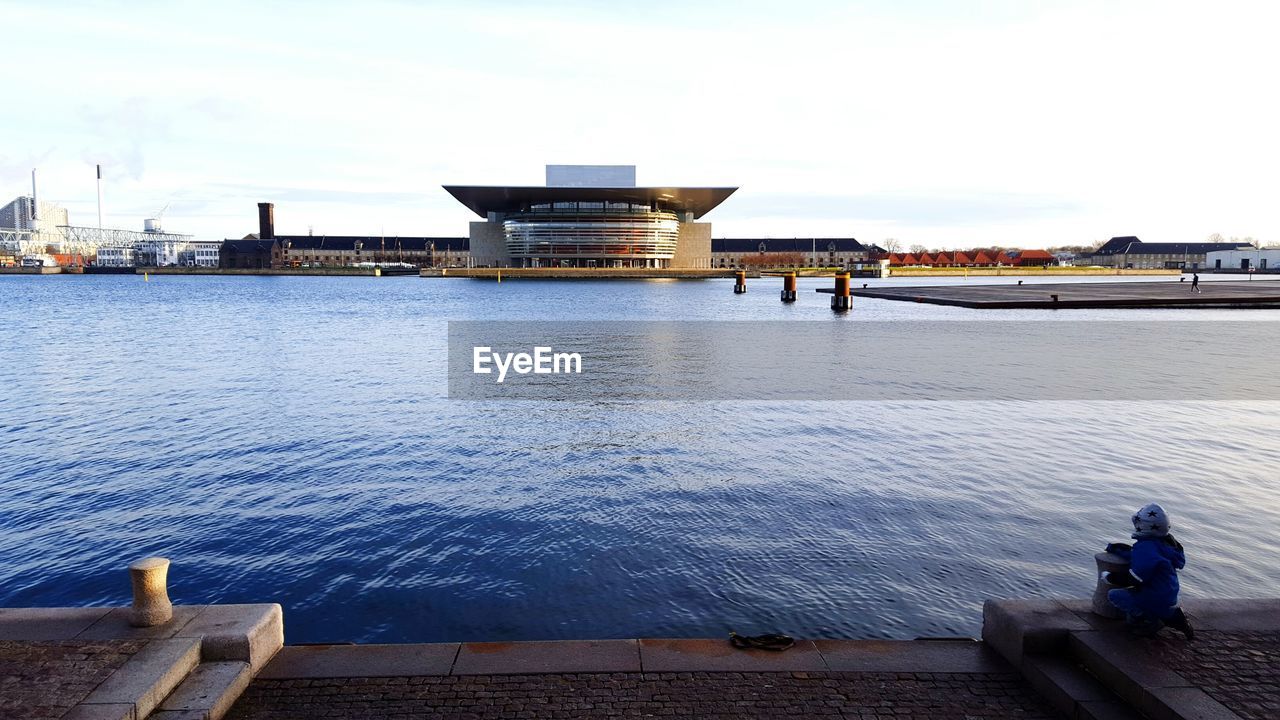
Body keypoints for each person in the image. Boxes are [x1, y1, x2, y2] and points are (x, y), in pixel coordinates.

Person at [1102, 503, 1194, 639]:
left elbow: (1136, 578)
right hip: (1168, 593)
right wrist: (1117, 549)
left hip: (1154, 595)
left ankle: (1152, 621)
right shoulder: (1166, 545)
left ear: (1144, 526)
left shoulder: (1146, 547)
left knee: (1115, 595)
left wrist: (1110, 577)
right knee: (1147, 604)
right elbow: (1141, 557)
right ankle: (1171, 615)